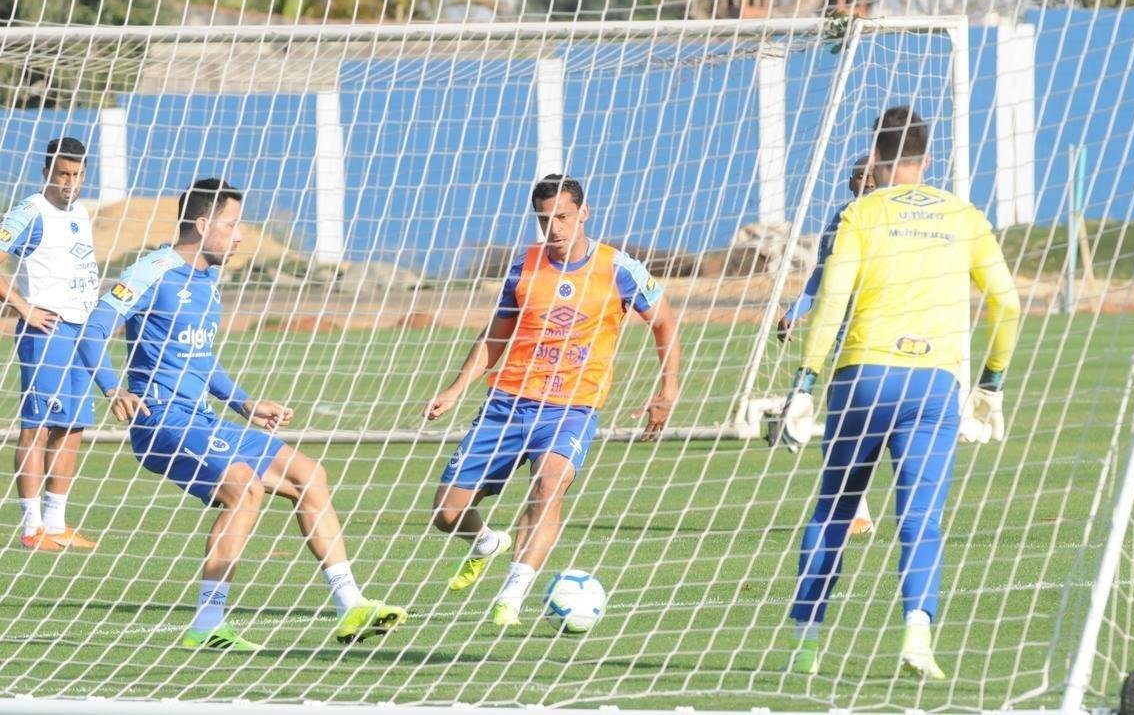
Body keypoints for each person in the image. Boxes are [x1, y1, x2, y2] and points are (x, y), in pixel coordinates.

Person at [77, 178, 406, 651]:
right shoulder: (154, 269)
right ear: (203, 223)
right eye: (232, 224)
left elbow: (201, 357)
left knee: (309, 476)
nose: (240, 235)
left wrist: (245, 403)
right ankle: (208, 623)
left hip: (203, 419)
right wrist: (112, 388)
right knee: (244, 489)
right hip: (163, 421)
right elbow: (94, 326)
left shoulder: (209, 280)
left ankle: (351, 605)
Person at [781, 107, 1019, 679]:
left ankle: (807, 642)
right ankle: (917, 636)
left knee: (835, 509)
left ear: (877, 156)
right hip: (935, 383)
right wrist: (991, 382)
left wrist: (805, 382)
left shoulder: (858, 212)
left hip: (863, 376)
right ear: (928, 157)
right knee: (921, 520)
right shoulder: (965, 216)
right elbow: (1007, 305)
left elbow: (832, 300)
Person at [425, 173, 680, 627]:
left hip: (573, 408)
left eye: (562, 216)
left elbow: (664, 322)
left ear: (584, 213)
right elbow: (496, 334)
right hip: (508, 403)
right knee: (447, 513)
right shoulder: (524, 266)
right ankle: (486, 542)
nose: (554, 228)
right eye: (545, 219)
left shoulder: (617, 267)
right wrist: (456, 387)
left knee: (549, 485)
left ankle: (513, 595)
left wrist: (667, 390)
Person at [0, 137, 100, 550]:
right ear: (46, 173)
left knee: (72, 426)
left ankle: (57, 525)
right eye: (63, 174)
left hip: (80, 329)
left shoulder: (79, 211)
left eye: (77, 175)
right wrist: (22, 307)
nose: (70, 183)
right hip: (47, 332)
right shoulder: (29, 211)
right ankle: (30, 528)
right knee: (38, 426)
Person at [776, 156, 878, 537]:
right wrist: (796, 309)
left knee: (883, 426)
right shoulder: (841, 219)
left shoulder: (897, 218)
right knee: (842, 426)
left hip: (889, 336)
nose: (865, 183)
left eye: (871, 176)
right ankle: (855, 511)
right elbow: (822, 272)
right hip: (844, 340)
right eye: (857, 177)